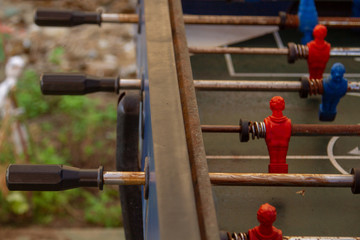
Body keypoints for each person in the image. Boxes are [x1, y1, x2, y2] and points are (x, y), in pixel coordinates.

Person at [264, 96, 291, 173]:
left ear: (270, 105)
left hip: (273, 162)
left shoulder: (267, 122)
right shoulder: (288, 123)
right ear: (283, 106)